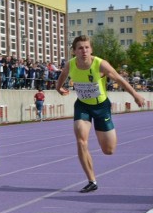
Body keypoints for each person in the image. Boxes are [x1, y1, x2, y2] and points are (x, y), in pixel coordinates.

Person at [55, 34, 145, 193]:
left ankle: (105, 132)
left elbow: (119, 79)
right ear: (74, 51)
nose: (84, 51)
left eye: (87, 47)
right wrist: (59, 87)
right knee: (81, 140)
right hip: (82, 106)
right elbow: (62, 77)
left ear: (91, 50)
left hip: (101, 107)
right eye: (80, 48)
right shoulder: (70, 65)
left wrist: (135, 95)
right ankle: (91, 180)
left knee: (108, 150)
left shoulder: (100, 64)